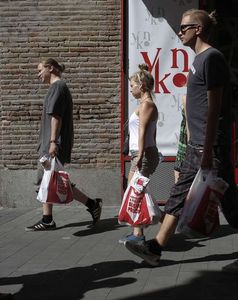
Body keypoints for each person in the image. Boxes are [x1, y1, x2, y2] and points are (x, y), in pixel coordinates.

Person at [125, 9, 238, 273]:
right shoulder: (198, 60)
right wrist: (192, 139)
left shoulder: (212, 58)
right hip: (197, 144)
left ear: (197, 29)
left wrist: (208, 148)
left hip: (210, 146)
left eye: (183, 27)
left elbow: (214, 108)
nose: (179, 31)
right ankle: (155, 248)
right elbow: (195, 107)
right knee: (178, 193)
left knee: (229, 197)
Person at [26, 58, 102, 231]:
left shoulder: (58, 87)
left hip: (54, 143)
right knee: (53, 179)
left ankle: (48, 220)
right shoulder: (57, 87)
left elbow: (56, 116)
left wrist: (53, 141)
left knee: (48, 178)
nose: (38, 75)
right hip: (51, 142)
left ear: (50, 68)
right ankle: (92, 205)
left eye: (40, 70)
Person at [118, 64, 160, 244]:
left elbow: (143, 131)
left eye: (132, 86)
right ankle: (142, 231)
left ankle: (139, 234)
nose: (131, 89)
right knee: (137, 192)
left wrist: (141, 156)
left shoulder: (147, 105)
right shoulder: (144, 105)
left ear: (141, 86)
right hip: (141, 153)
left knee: (136, 192)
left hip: (142, 154)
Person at [174, 95, 188, 183]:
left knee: (179, 180)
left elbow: (188, 125)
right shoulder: (186, 97)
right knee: (178, 175)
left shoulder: (188, 98)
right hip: (184, 144)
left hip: (189, 145)